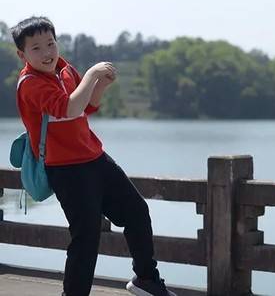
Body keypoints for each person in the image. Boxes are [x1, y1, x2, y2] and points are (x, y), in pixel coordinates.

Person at [10, 16, 176, 296]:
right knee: (86, 236)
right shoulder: (30, 84)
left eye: (51, 44)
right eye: (36, 48)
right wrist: (91, 74)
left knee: (137, 211)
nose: (47, 52)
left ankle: (146, 279)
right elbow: (69, 108)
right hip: (65, 168)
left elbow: (86, 108)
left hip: (95, 158)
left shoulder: (64, 70)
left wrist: (100, 85)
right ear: (22, 54)